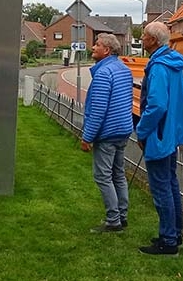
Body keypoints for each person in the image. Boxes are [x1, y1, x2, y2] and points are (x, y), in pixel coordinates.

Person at [136, 22, 183, 256]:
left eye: (144, 36)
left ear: (153, 40)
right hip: (171, 132)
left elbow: (157, 104)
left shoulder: (159, 66)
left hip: (159, 133)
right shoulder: (174, 62)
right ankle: (174, 233)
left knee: (161, 187)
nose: (141, 39)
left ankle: (168, 240)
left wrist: (142, 130)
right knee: (170, 183)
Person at [80, 33, 134, 233]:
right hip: (123, 130)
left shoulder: (104, 74)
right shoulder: (124, 70)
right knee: (118, 174)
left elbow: (99, 109)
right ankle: (123, 215)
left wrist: (87, 137)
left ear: (107, 50)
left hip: (108, 133)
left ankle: (113, 221)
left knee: (103, 176)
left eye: (97, 45)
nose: (93, 47)